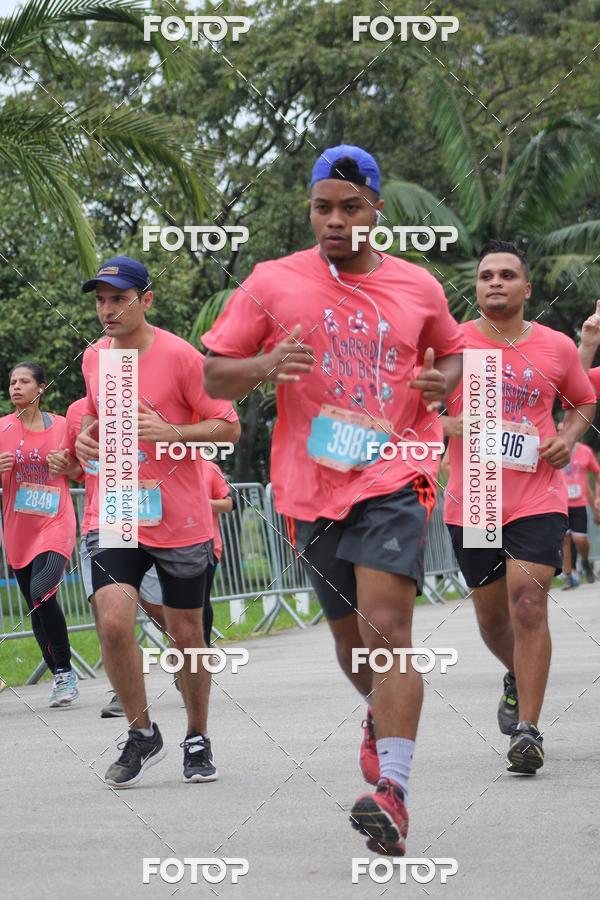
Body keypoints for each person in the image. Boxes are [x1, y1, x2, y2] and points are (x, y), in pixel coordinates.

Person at [202, 145, 465, 854]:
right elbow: (216, 375)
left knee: (388, 629)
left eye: (352, 206)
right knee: (353, 649)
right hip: (309, 483)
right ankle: (380, 720)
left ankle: (395, 794)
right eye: (324, 207)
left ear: (377, 209)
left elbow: (456, 352)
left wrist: (445, 384)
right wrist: (266, 364)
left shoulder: (418, 286)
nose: (336, 220)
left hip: (396, 472)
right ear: (310, 210)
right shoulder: (271, 281)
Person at [75, 256, 240, 787]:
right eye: (100, 300)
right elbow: (98, 421)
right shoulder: (94, 358)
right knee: (114, 619)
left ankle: (197, 734)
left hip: (180, 515)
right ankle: (142, 733)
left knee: (187, 632)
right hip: (116, 506)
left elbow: (228, 429)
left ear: (146, 300)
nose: (107, 310)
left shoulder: (183, 357)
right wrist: (85, 440)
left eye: (118, 299)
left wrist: (171, 430)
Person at [442, 240, 595, 774]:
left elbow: (583, 400)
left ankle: (527, 731)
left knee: (527, 601)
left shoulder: (554, 346)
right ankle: (516, 674)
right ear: (477, 287)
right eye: (486, 276)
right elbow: (404, 408)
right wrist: (446, 424)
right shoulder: (451, 345)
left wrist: (570, 436)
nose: (496, 283)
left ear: (527, 289)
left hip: (538, 493)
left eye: (508, 275)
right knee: (491, 618)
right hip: (476, 499)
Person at [66, 396, 168, 719]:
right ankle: (119, 691)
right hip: (104, 523)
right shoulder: (75, 412)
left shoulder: (150, 394)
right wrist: (66, 462)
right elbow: (77, 469)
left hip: (150, 518)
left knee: (159, 610)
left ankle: (185, 655)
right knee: (107, 616)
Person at [0, 362, 82, 706]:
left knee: (41, 588)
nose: (16, 387)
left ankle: (65, 672)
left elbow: (83, 470)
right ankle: (59, 672)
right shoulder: (2, 428)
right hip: (19, 528)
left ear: (41, 388)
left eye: (24, 381)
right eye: (12, 382)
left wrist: (71, 466)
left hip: (56, 521)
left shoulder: (63, 426)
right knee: (37, 605)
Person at [561, 441, 600, 588]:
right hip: (560, 503)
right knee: (565, 539)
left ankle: (585, 561)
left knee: (579, 539)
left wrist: (597, 497)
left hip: (579, 503)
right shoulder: (553, 448)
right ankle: (569, 576)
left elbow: (597, 473)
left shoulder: (584, 451)